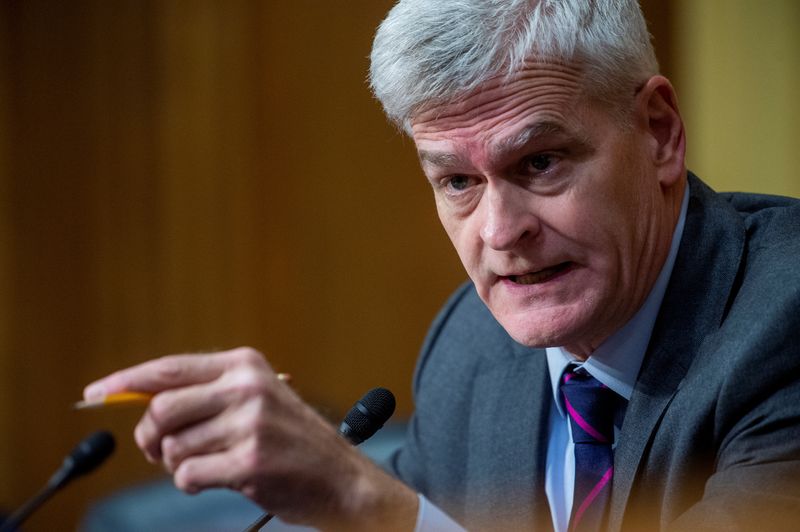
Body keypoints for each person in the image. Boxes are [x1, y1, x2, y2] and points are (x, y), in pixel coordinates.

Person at [83, 0, 800, 530]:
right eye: (457, 181)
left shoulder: (785, 323)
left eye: (541, 162)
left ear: (660, 134)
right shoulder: (471, 350)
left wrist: (363, 500)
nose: (499, 231)